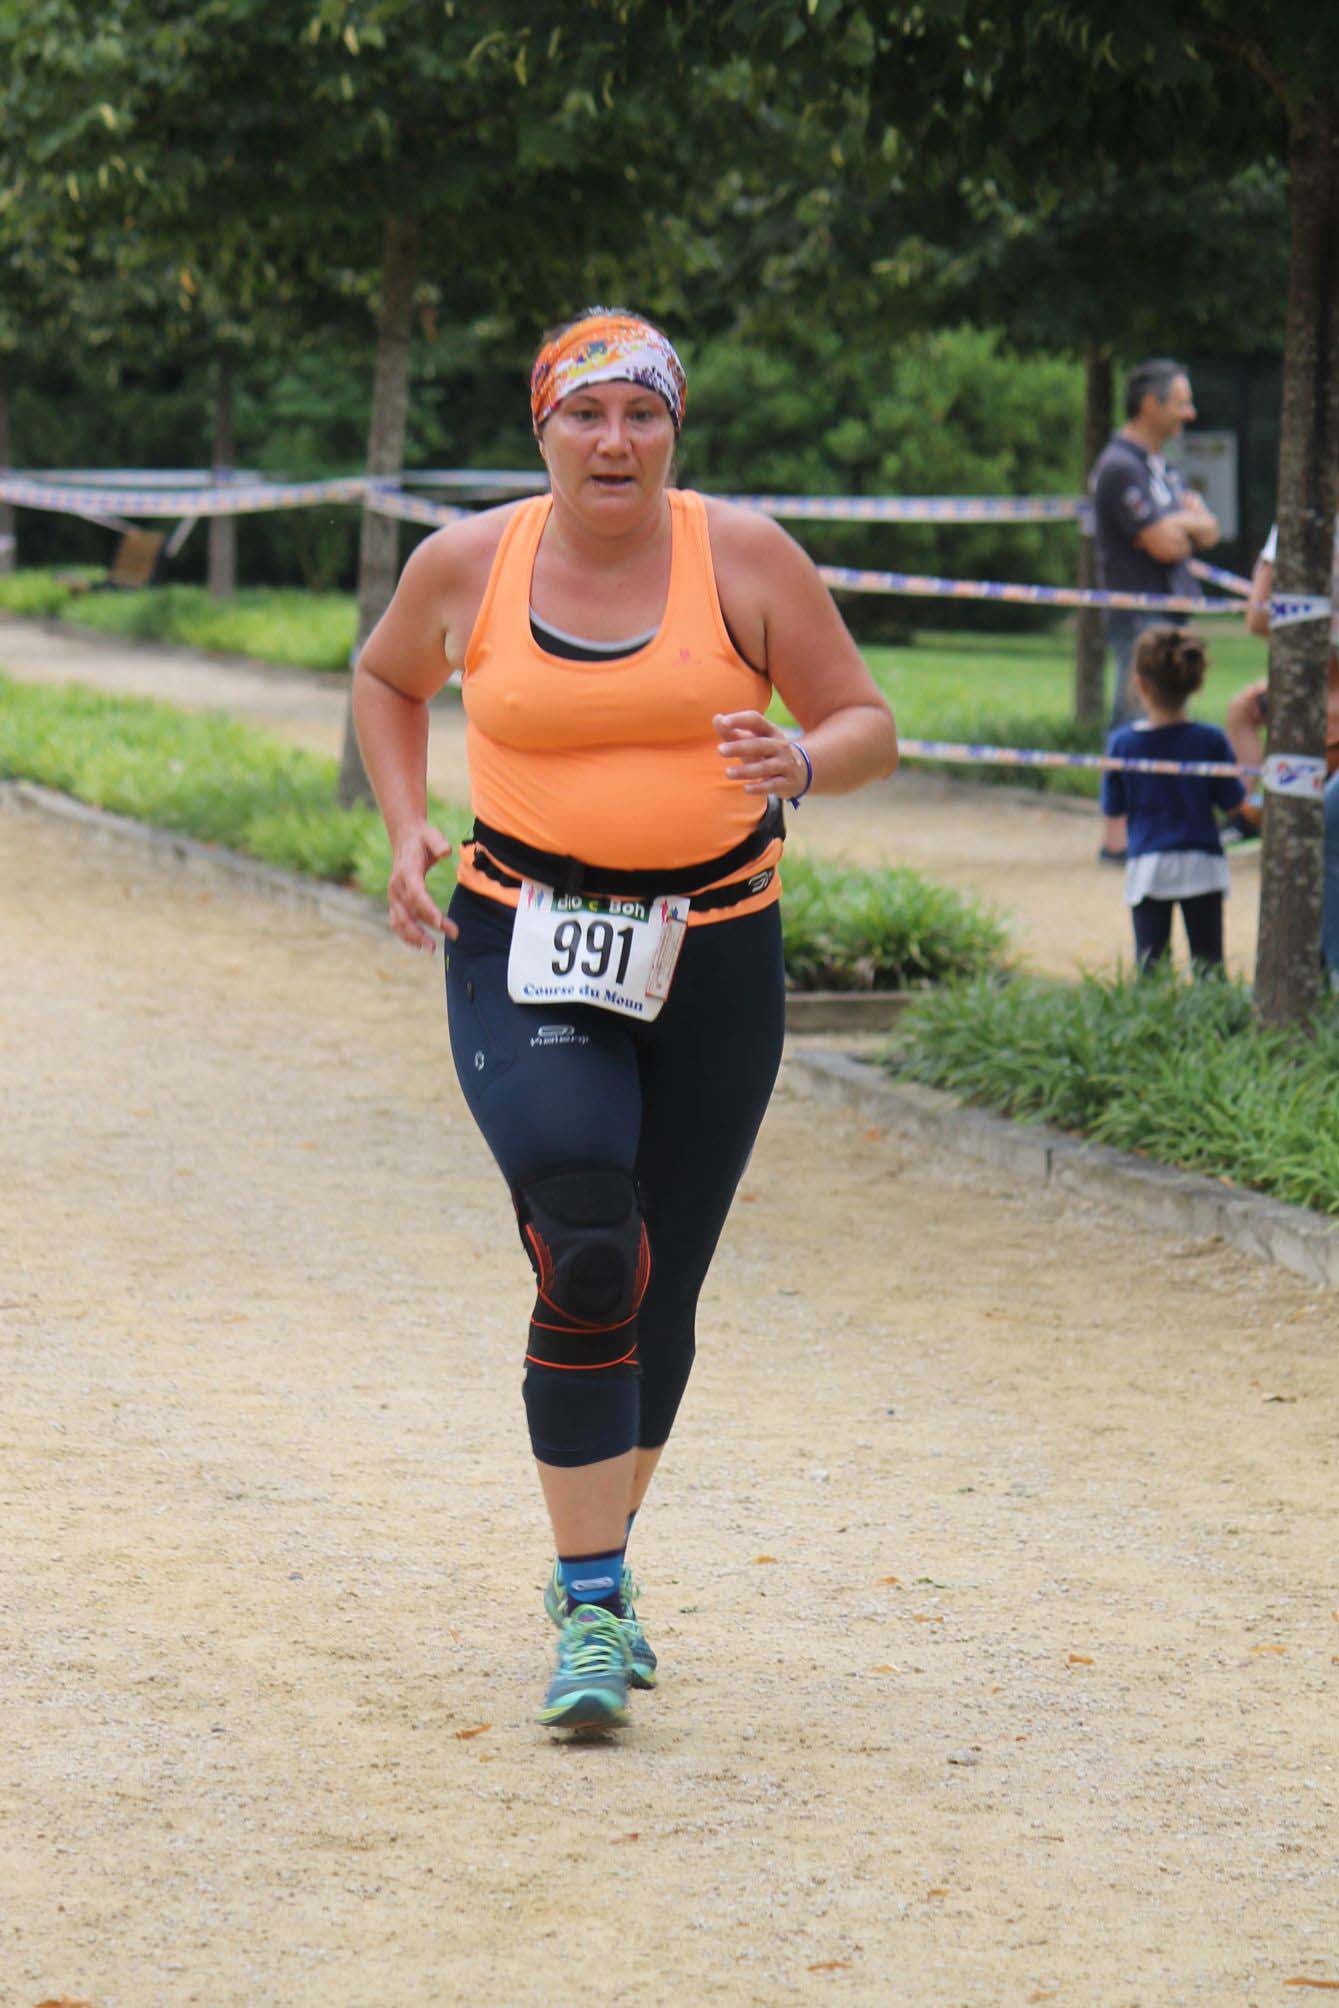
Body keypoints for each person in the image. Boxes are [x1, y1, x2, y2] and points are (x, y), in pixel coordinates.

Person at [352, 308, 899, 1732]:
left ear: (673, 429)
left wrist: (803, 759)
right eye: (584, 414)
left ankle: (595, 1559)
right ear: (540, 429)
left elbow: (866, 722)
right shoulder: (467, 563)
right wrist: (406, 824)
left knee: (662, 1290)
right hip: (523, 938)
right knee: (591, 1245)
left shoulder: (747, 559)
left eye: (641, 414)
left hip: (715, 948)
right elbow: (387, 677)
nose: (614, 441)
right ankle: (592, 1604)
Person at [1090, 358, 1220, 861]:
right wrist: (1185, 525)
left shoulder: (1160, 466)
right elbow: (1166, 542)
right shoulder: (1120, 467)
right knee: (1131, 720)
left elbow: (1209, 529)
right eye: (1181, 403)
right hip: (1138, 616)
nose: (1190, 413)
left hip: (1171, 612)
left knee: (1168, 723)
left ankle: (1153, 828)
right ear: (1150, 404)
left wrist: (1183, 526)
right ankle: (1115, 838)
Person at [1099, 627, 1244, 974]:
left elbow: (1113, 812)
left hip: (1149, 866)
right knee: (1210, 968)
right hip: (1203, 864)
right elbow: (1233, 802)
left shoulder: (1122, 744)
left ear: (1140, 684)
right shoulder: (1211, 740)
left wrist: (1115, 848)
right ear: (1197, 683)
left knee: (1151, 969)